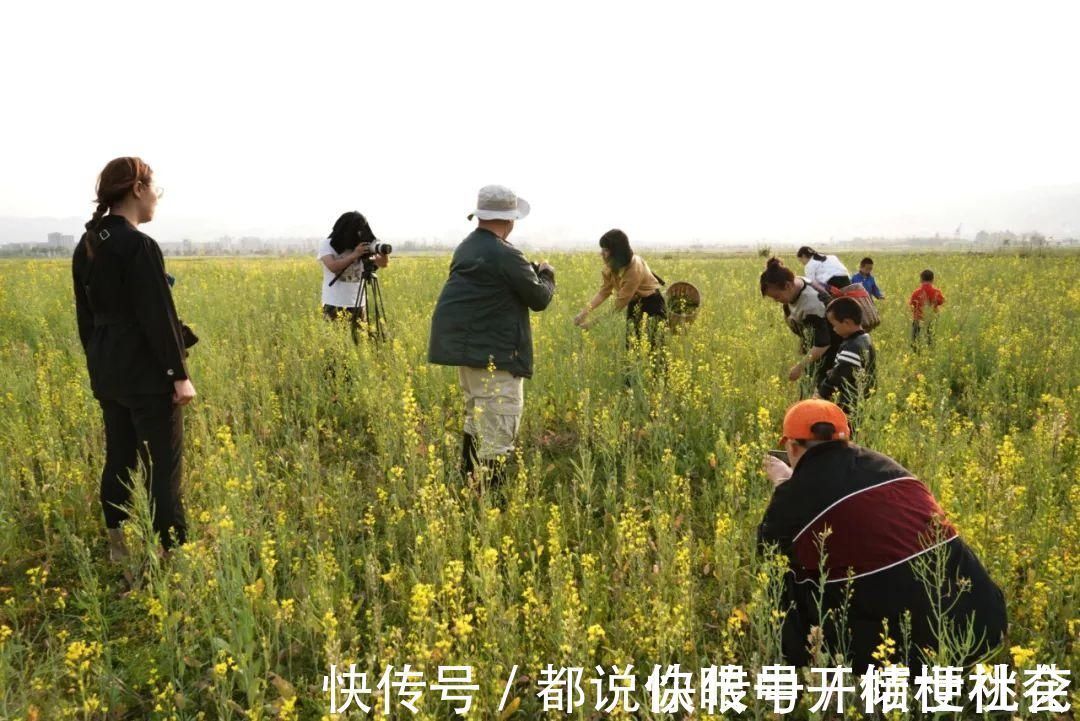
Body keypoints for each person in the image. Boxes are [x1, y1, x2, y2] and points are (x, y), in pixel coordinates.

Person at [760, 400, 1007, 669]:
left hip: (910, 657)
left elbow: (767, 549)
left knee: (783, 573)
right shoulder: (885, 465)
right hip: (986, 626)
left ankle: (802, 659)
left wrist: (785, 485)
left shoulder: (793, 494)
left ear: (793, 447)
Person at [72, 157, 197, 558]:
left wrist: (98, 368)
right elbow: (157, 317)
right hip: (147, 375)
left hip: (109, 371)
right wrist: (179, 374)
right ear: (138, 189)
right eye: (154, 188)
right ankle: (171, 555)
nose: (156, 198)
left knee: (120, 458)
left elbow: (85, 319)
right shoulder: (139, 245)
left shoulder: (87, 245)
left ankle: (118, 548)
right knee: (164, 467)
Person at [428, 185, 555, 489]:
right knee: (497, 432)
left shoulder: (466, 247)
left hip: (469, 355)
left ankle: (468, 486)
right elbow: (539, 298)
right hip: (496, 357)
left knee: (476, 418)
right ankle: (489, 505)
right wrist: (547, 275)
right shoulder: (504, 252)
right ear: (510, 220)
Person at [573, 229, 666, 347]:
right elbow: (603, 293)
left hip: (652, 305)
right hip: (635, 305)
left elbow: (617, 307)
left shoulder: (634, 269)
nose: (601, 253)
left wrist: (592, 324)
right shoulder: (611, 266)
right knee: (632, 347)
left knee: (655, 349)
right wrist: (583, 314)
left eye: (605, 250)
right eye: (602, 249)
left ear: (617, 253)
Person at [759, 258, 841, 390]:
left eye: (777, 297)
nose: (776, 301)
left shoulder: (811, 303)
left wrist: (799, 367)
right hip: (817, 350)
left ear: (787, 286)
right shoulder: (795, 284)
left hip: (832, 352)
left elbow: (823, 343)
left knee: (816, 393)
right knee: (808, 388)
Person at [318, 211, 389, 323]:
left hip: (358, 304)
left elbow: (383, 263)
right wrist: (355, 254)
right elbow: (332, 266)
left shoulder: (362, 244)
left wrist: (382, 251)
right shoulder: (327, 244)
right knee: (336, 339)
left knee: (360, 339)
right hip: (334, 303)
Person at [817, 297, 877, 427]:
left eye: (834, 325)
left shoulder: (853, 346)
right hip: (860, 400)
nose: (834, 329)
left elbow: (839, 375)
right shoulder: (864, 338)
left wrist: (821, 394)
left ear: (847, 322)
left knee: (847, 432)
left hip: (849, 402)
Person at [909, 268, 945, 348]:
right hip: (931, 318)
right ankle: (930, 352)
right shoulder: (936, 292)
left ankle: (916, 354)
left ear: (921, 279)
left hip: (918, 319)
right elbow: (942, 301)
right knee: (930, 339)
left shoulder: (916, 292)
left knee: (915, 339)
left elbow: (912, 305)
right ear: (932, 279)